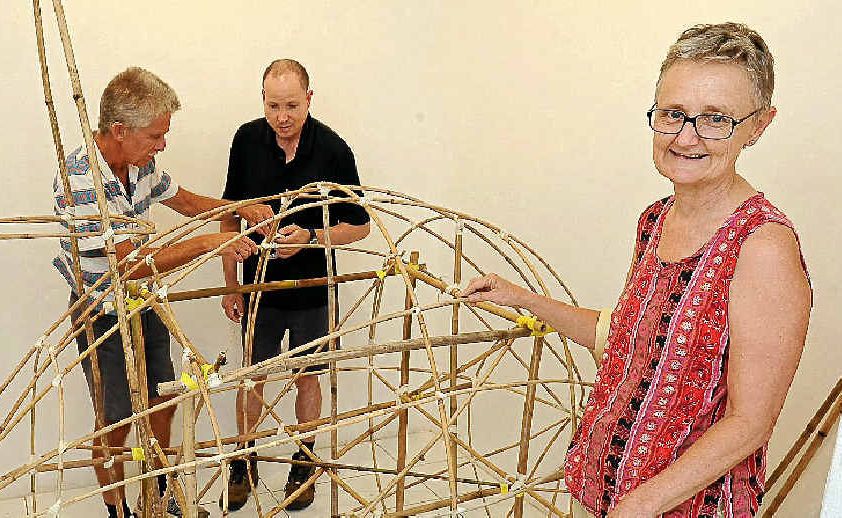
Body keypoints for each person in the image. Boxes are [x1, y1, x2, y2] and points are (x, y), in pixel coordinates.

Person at [461, 23, 811, 518]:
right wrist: (522, 298)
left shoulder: (761, 245)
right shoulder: (655, 219)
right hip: (603, 492)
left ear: (759, 125)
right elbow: (631, 341)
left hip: (680, 508)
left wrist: (641, 505)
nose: (687, 137)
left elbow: (750, 422)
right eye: (673, 114)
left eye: (716, 119)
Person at [53, 67, 272, 518]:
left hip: (142, 302)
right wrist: (213, 243)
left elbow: (187, 203)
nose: (162, 144)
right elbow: (128, 263)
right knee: (115, 418)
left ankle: (160, 491)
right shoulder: (81, 178)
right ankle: (119, 510)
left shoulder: (141, 164)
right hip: (102, 311)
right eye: (155, 135)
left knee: (163, 396)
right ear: (119, 130)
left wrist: (239, 208)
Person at [219, 59, 370, 511]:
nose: (282, 116)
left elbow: (359, 225)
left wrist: (311, 239)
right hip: (259, 288)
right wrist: (231, 284)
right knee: (252, 378)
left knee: (308, 376)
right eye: (272, 106)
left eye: (291, 105)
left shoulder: (332, 150)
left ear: (309, 99)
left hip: (311, 288)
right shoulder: (247, 140)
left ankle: (304, 461)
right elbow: (228, 211)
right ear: (262, 102)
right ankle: (242, 461)